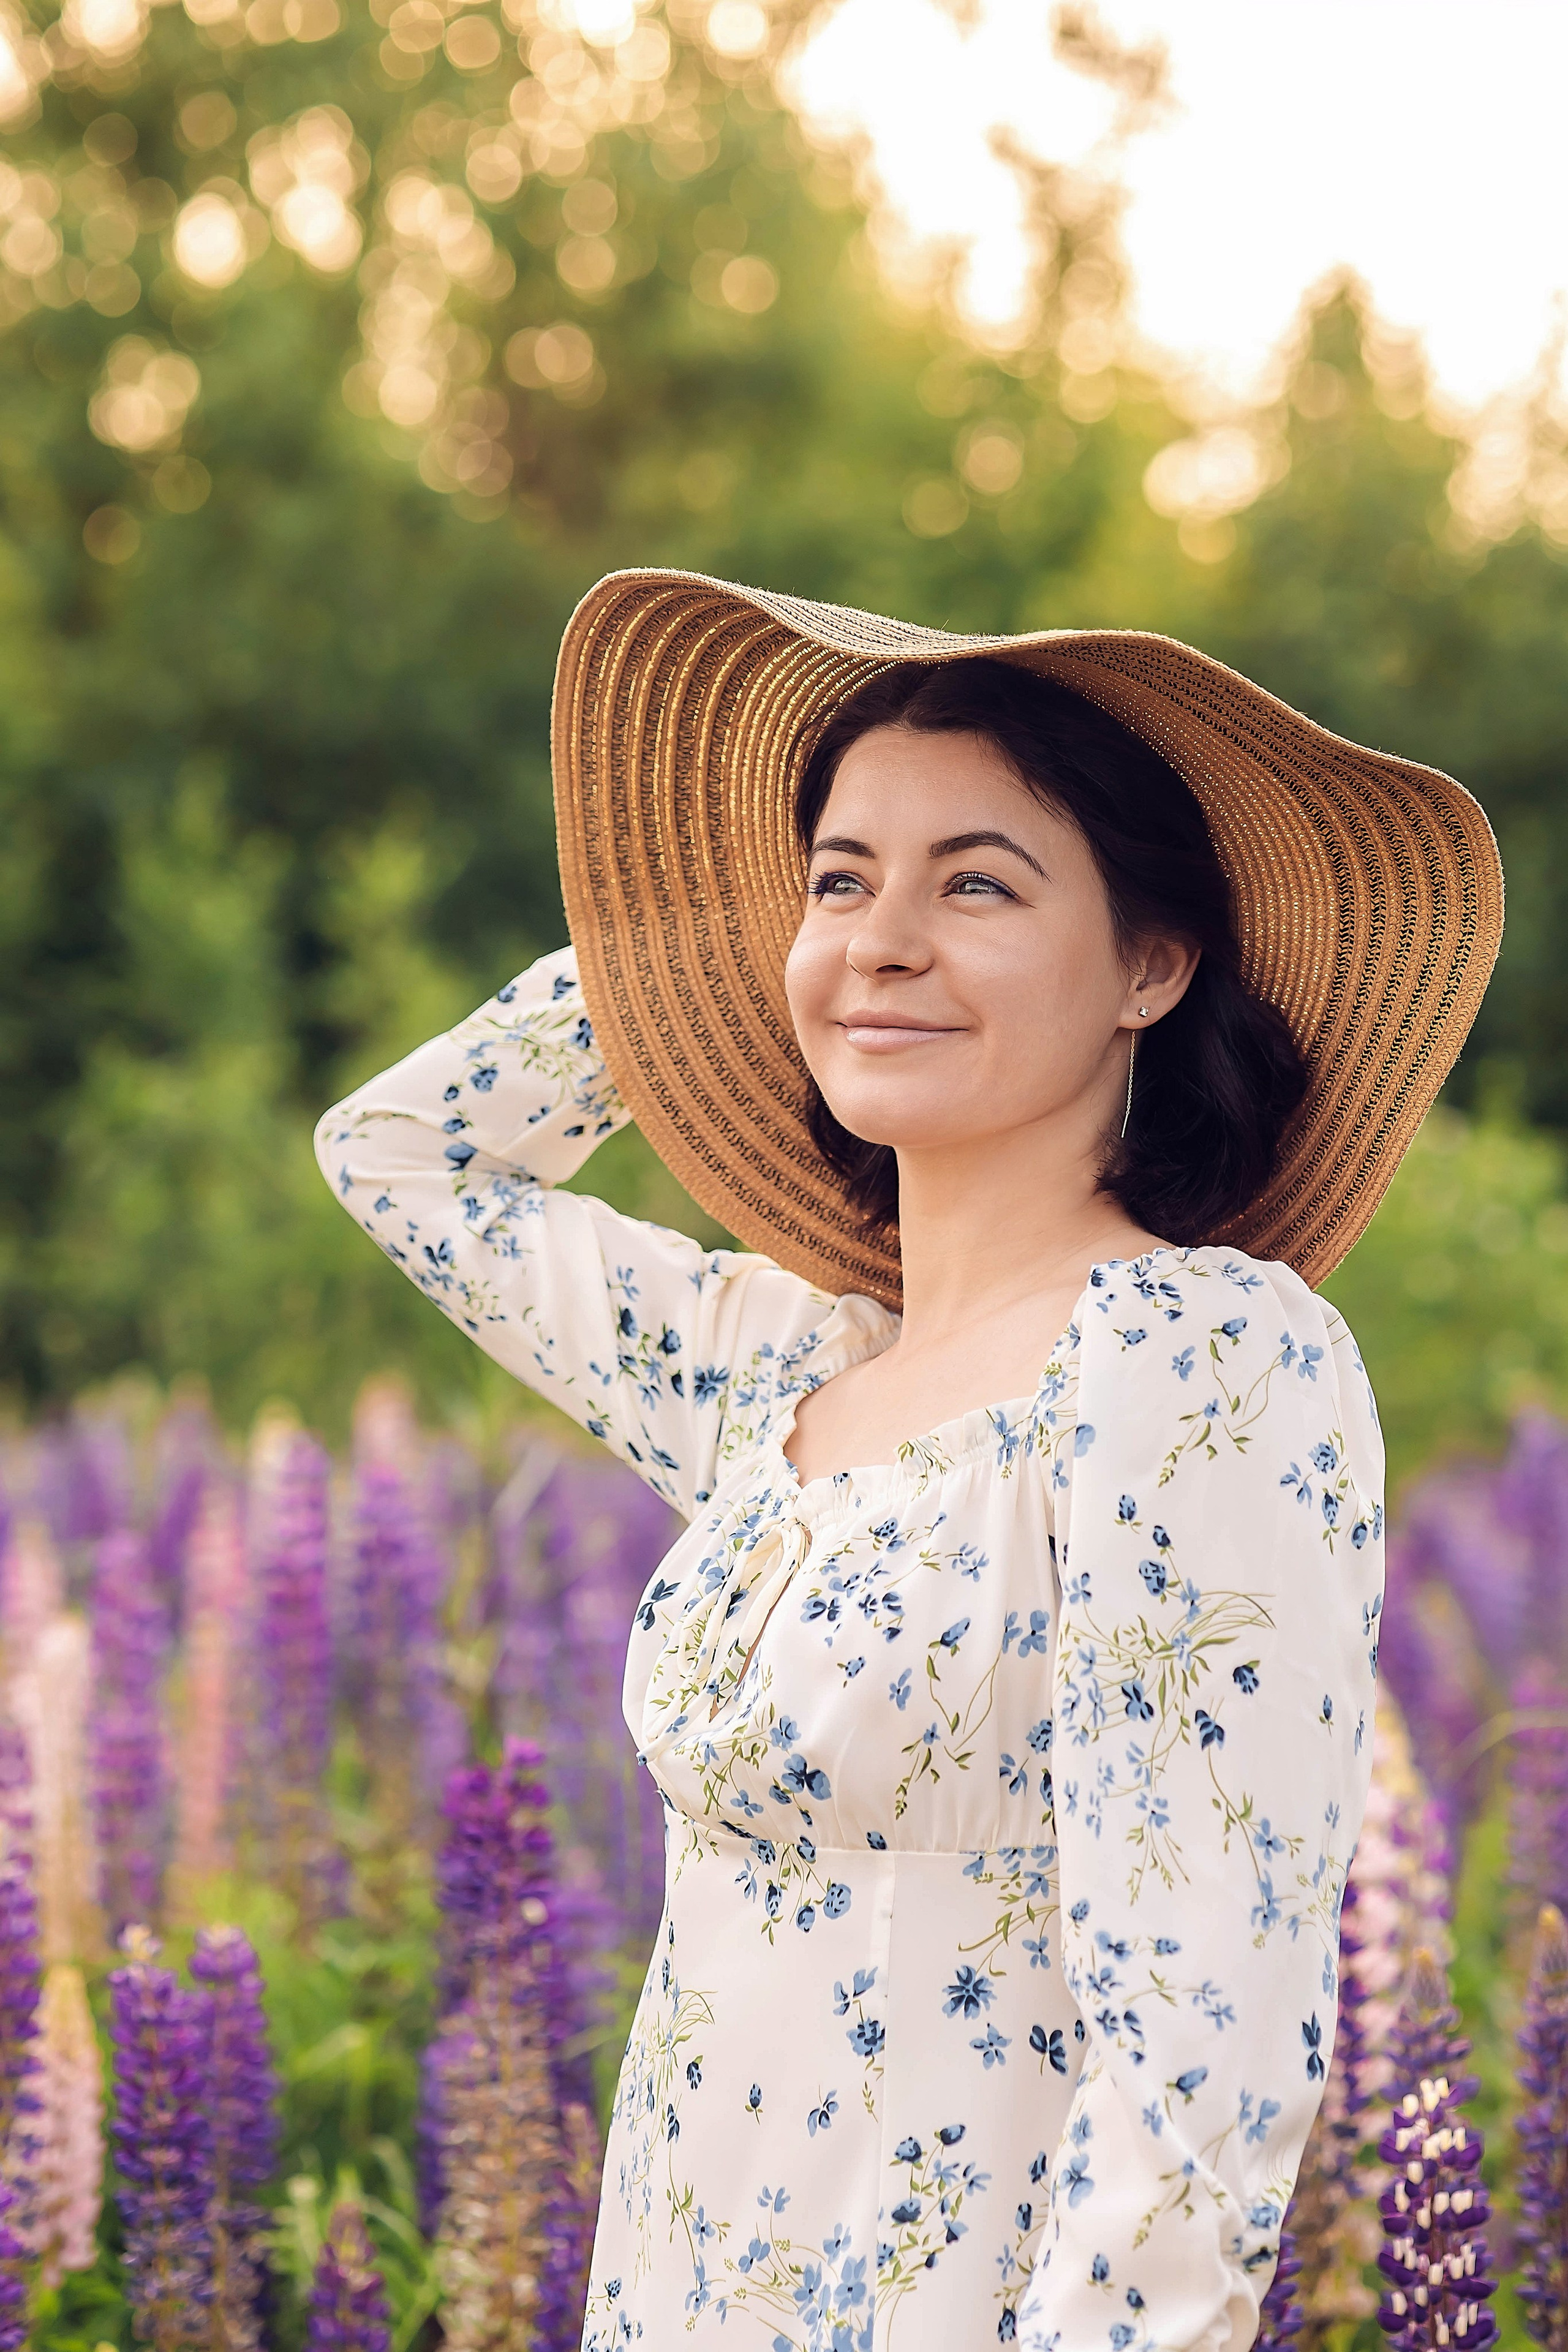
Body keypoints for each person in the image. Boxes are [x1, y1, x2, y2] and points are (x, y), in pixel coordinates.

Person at [316, 571, 1503, 2352]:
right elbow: (406, 1159)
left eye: (979, 882)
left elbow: (1210, 2044)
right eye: (840, 877)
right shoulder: (781, 1376)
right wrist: (744, 939)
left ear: (1153, 966)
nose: (883, 937)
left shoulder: (1197, 1361)